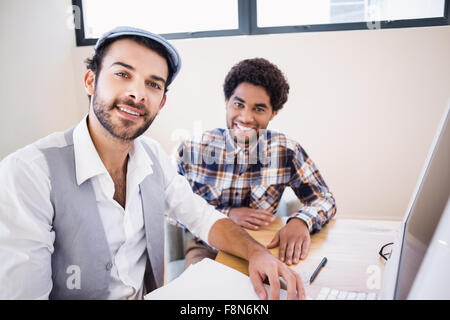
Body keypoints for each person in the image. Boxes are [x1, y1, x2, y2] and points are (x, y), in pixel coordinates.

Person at [0, 27, 304, 300]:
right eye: (122, 74)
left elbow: (202, 218)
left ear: (162, 102)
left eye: (153, 84)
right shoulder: (28, 173)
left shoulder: (154, 158)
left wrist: (257, 253)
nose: (137, 93)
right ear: (90, 80)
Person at [177, 58, 337, 269]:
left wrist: (301, 221)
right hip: (208, 247)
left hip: (263, 245)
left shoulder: (286, 151)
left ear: (273, 113)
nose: (245, 117)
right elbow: (169, 208)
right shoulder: (192, 150)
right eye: (238, 104)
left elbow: (324, 199)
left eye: (259, 109)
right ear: (227, 102)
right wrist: (227, 215)